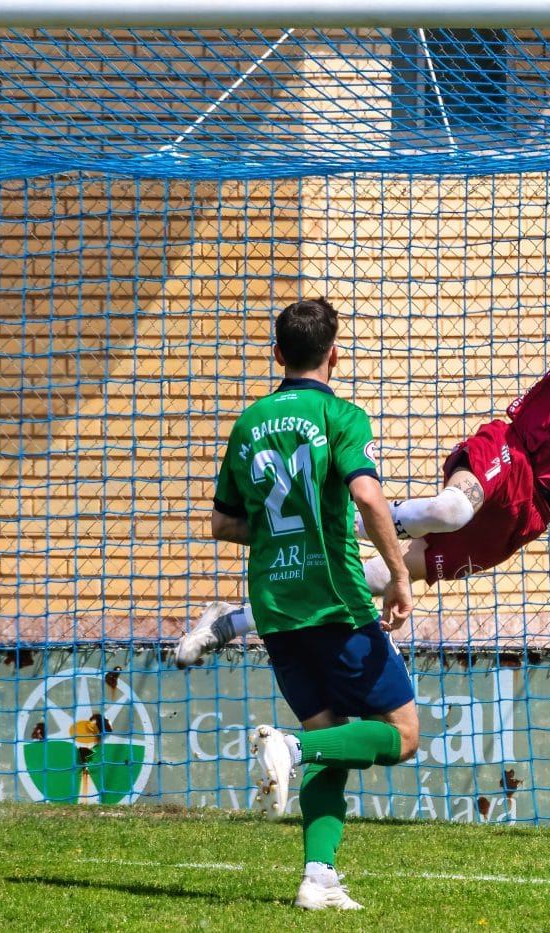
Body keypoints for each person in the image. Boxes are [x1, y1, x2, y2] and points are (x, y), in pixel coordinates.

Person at [176, 222, 550, 664]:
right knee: (448, 510)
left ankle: (229, 621)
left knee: (380, 576)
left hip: (540, 505)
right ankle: (339, 524)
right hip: (513, 448)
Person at [208, 297, 419, 911]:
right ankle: (292, 751)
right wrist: (399, 576)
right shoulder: (341, 416)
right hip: (335, 603)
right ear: (334, 353)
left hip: (275, 608)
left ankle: (317, 877)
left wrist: (281, 532)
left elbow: (223, 523)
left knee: (332, 737)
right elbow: (370, 499)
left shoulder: (249, 423)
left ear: (277, 354)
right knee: (401, 736)